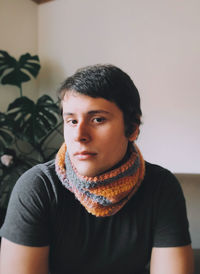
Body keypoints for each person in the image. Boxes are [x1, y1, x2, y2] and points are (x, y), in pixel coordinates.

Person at [0, 64, 194, 274]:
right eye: (72, 121)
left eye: (97, 119)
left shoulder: (161, 187)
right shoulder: (38, 187)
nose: (79, 135)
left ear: (132, 128)